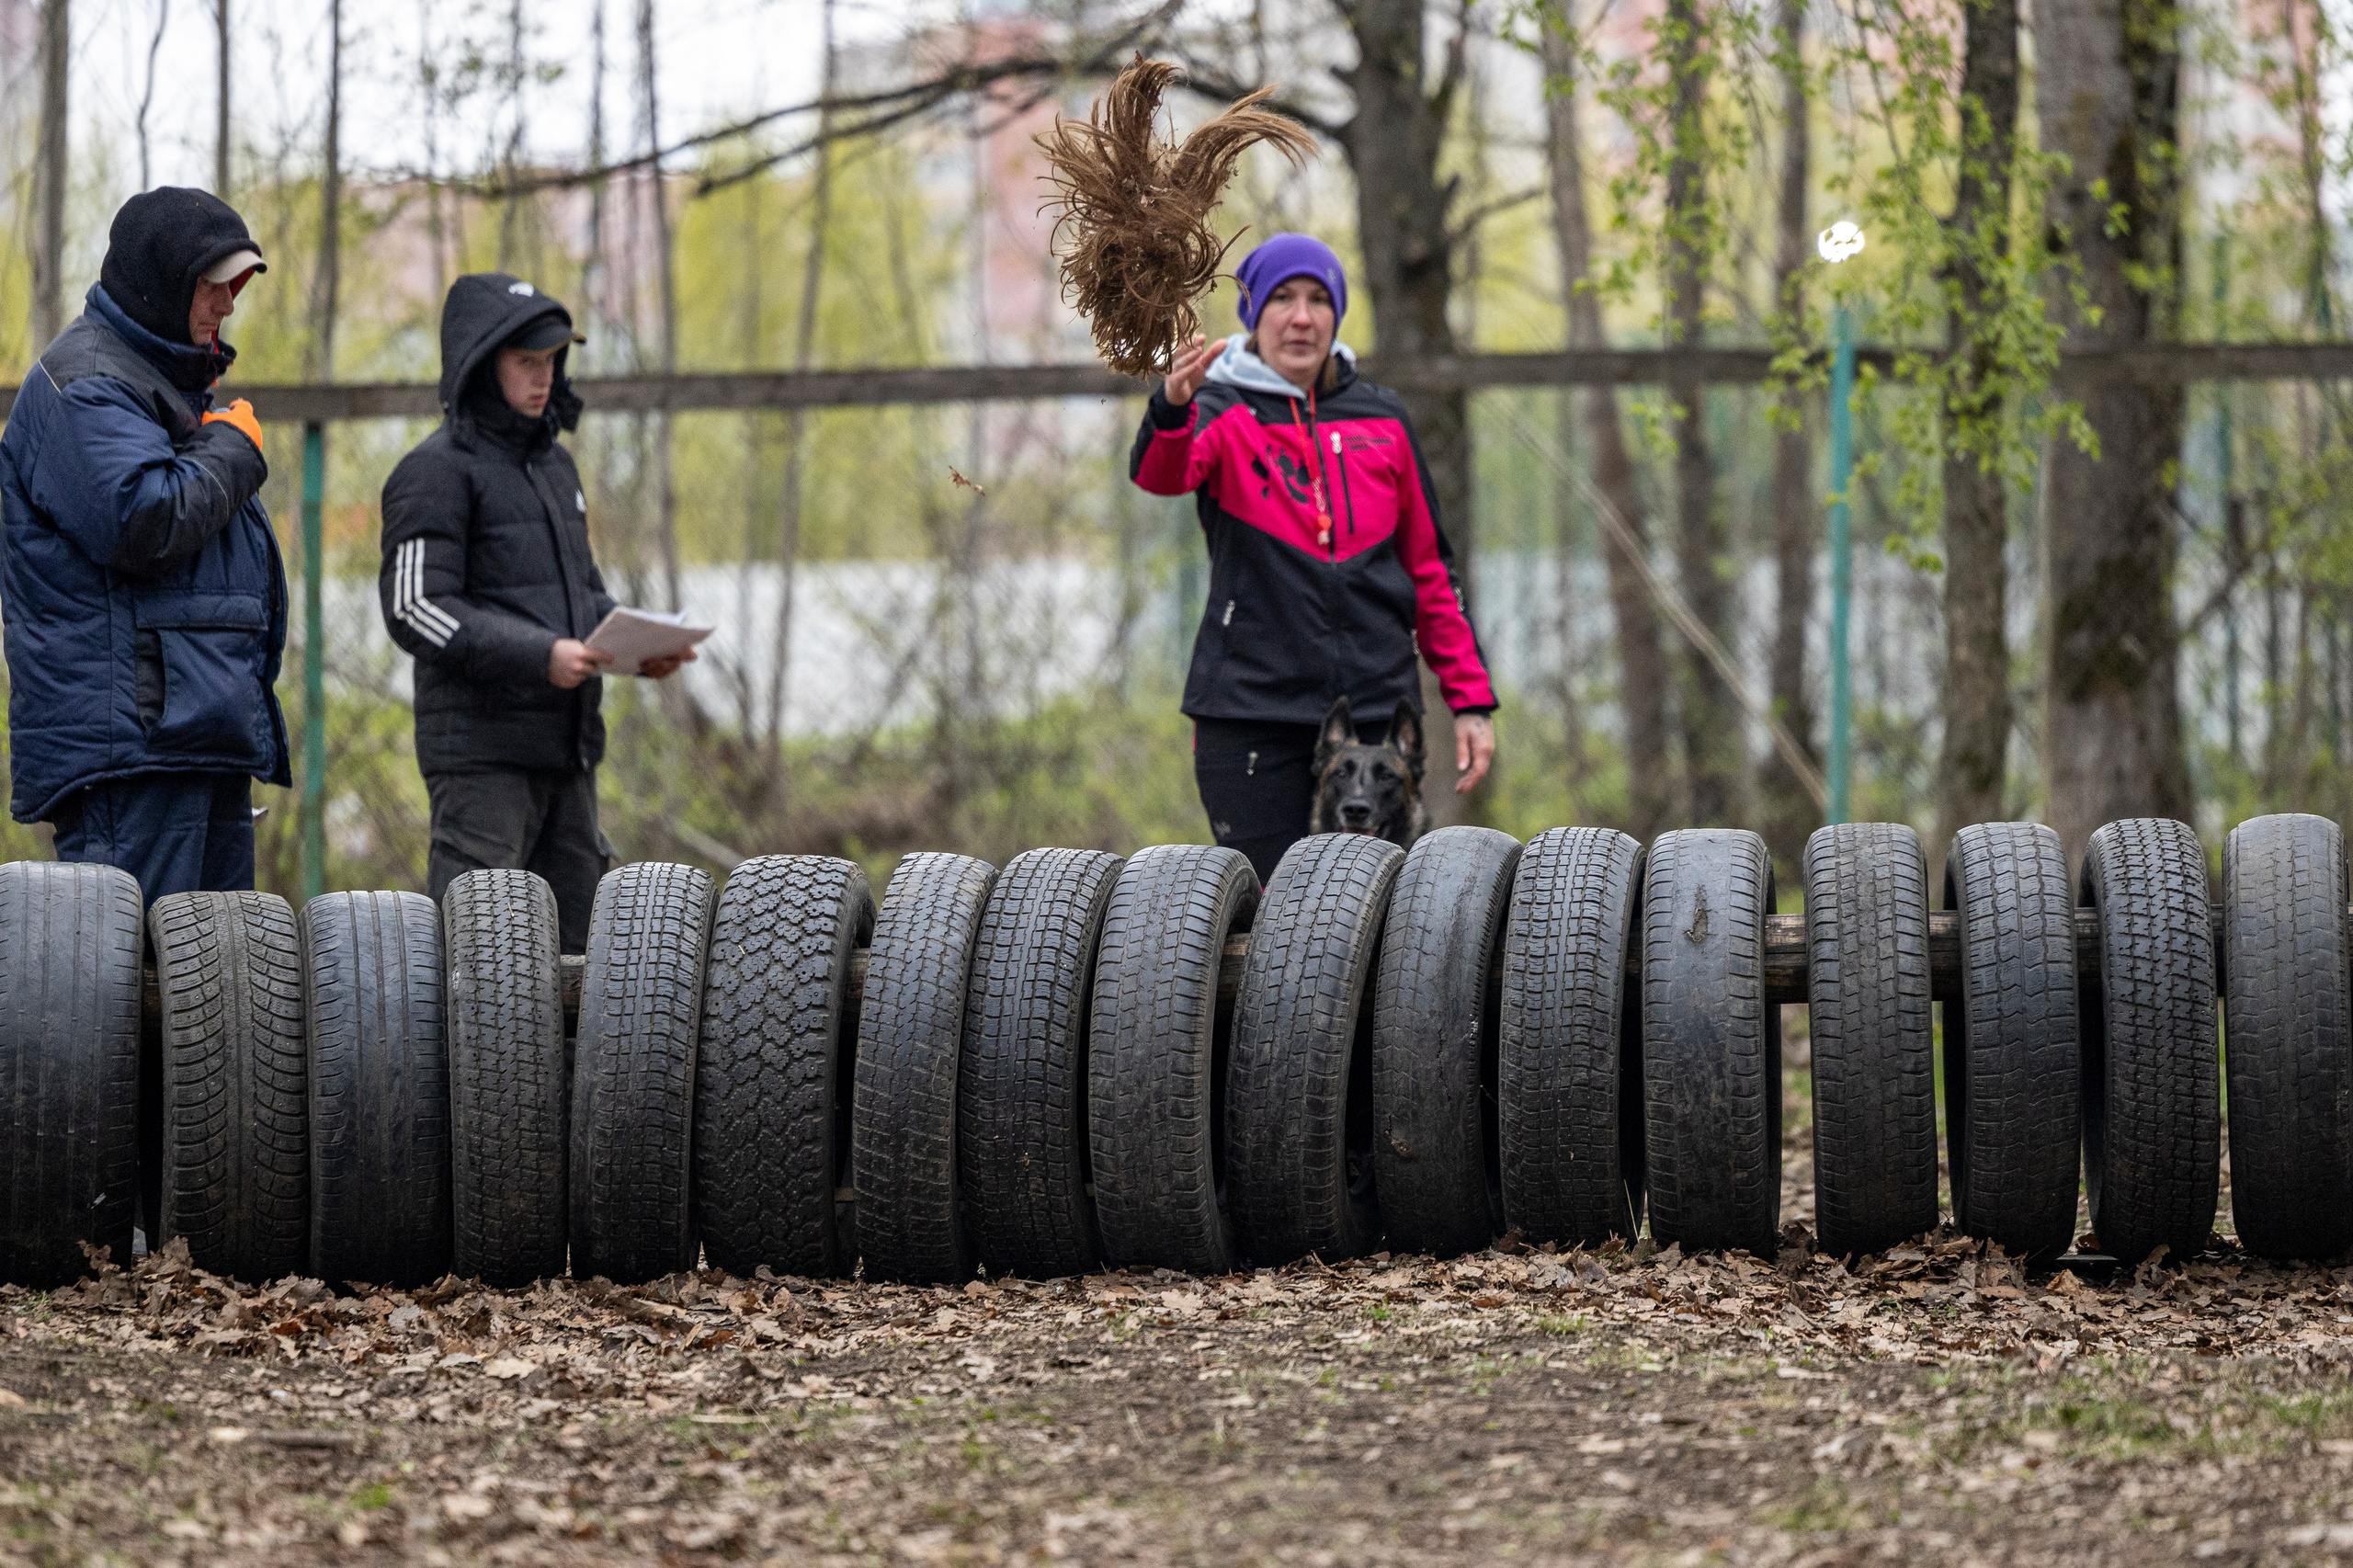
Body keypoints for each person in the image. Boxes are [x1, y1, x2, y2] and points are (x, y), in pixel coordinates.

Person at [1129, 233, 1497, 882]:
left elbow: (1431, 573)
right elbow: (1163, 474)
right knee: (1276, 922)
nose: (1302, 317)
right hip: (1251, 718)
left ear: (1337, 315)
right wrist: (1172, 406)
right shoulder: (1218, 408)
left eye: (1319, 300)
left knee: (1380, 924)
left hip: (1374, 722)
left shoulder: (1382, 416)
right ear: (1253, 315)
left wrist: (1469, 700)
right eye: (1283, 299)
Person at [379, 273, 690, 953]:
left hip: (568, 757)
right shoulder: (431, 473)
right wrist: (538, 656)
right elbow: (414, 607)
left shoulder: (556, 469)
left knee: (581, 963)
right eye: (526, 362)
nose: (543, 377)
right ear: (480, 366)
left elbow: (583, 598)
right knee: (484, 963)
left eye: (551, 360)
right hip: (482, 766)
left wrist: (639, 648)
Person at [0, 187, 284, 901]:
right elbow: (142, 521)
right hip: (131, 751)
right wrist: (234, 448)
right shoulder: (87, 384)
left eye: (235, 288)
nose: (227, 306)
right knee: (126, 990)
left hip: (188, 734)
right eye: (214, 287)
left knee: (223, 990)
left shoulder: (152, 381)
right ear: (162, 283)